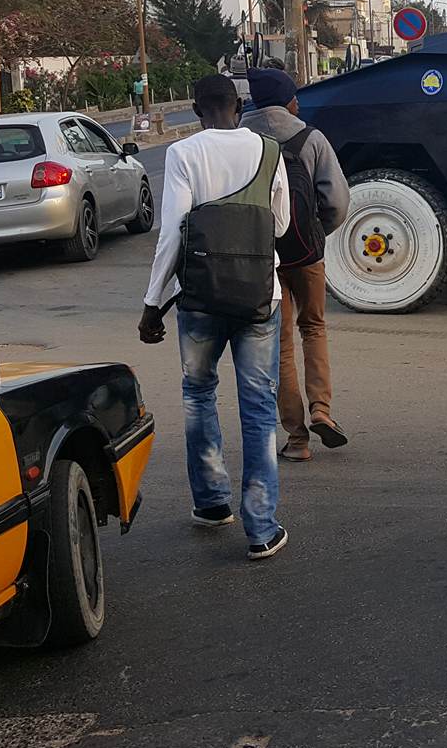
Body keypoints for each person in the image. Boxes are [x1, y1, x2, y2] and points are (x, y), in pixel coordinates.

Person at [138, 73, 293, 560]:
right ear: (238, 105)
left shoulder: (184, 154)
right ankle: (261, 528)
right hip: (258, 298)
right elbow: (282, 224)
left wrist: (151, 303)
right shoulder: (270, 152)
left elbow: (173, 235)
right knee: (259, 406)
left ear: (200, 110)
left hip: (199, 299)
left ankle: (210, 504)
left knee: (198, 396)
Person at [242, 67, 353, 462]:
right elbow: (337, 201)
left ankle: (296, 438)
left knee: (282, 344)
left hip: (260, 257)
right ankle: (322, 410)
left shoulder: (242, 142)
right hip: (306, 252)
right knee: (315, 327)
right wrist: (317, 232)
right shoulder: (311, 138)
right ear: (289, 101)